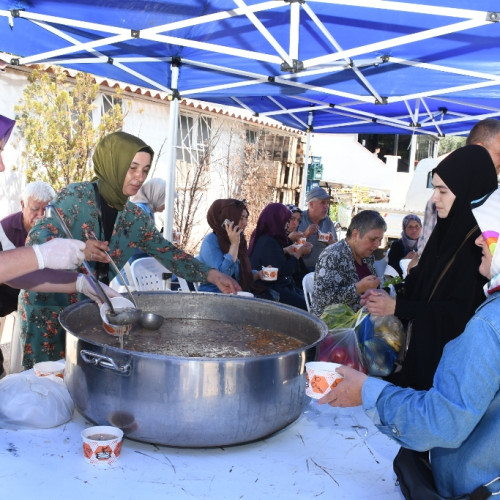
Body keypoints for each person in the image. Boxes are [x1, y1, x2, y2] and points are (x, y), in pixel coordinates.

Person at [318, 187, 500, 499]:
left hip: (477, 485)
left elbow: (441, 421)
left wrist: (366, 391)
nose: (478, 239)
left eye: (491, 230)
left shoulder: (489, 325)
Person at [19, 131, 240, 368]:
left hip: (90, 307)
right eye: (132, 168)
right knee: (46, 384)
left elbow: (168, 253)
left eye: (145, 170)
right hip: (47, 304)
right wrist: (78, 248)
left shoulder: (135, 218)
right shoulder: (76, 197)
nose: (139, 177)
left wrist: (211, 274)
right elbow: (39, 236)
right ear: (113, 163)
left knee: (82, 379)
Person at [362, 145, 498, 390]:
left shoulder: (483, 248)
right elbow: (423, 280)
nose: (434, 199)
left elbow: (460, 314)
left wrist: (399, 306)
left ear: (468, 190)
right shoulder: (446, 231)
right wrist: (390, 294)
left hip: (447, 372)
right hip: (421, 353)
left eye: (442, 191)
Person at [417, 118, 500, 255]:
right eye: (499, 154)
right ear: (479, 150)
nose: (435, 197)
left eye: (442, 191)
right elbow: (426, 254)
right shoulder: (440, 201)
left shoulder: (493, 204)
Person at [310, 210, 385, 317]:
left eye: (380, 240)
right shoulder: (332, 255)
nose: (377, 244)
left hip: (363, 319)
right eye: (373, 239)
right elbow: (323, 299)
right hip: (334, 326)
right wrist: (358, 288)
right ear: (355, 234)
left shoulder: (366, 256)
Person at [0, 181, 56, 316]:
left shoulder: (55, 228)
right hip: (9, 298)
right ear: (22, 205)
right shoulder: (3, 229)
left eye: (46, 210)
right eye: (35, 209)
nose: (41, 215)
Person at [248, 203, 309, 309]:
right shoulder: (268, 241)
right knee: (307, 306)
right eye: (286, 221)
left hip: (276, 286)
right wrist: (299, 253)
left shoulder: (266, 237)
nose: (286, 224)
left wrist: (286, 250)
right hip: (269, 290)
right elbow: (284, 271)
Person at [198, 198, 264, 293]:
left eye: (246, 218)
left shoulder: (238, 240)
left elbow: (240, 275)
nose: (245, 223)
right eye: (240, 218)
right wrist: (234, 245)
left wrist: (258, 274)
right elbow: (224, 277)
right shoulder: (211, 241)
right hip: (214, 296)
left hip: (236, 294)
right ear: (226, 219)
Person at [297, 187, 338, 271]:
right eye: (323, 203)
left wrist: (331, 242)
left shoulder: (328, 221)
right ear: (311, 204)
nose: (326, 207)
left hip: (322, 271)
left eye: (327, 203)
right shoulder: (299, 219)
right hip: (299, 271)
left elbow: (336, 247)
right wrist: (305, 235)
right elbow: (289, 247)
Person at [285, 203, 313, 288]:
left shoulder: (292, 235)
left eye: (298, 220)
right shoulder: (275, 237)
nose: (295, 224)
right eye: (292, 219)